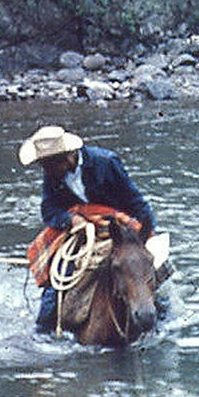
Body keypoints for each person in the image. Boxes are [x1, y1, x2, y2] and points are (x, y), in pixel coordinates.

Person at [19, 125, 158, 332]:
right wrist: (71, 220)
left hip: (119, 227)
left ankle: (163, 317)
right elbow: (49, 209)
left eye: (47, 165)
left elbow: (134, 199)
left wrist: (145, 234)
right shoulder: (53, 173)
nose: (45, 171)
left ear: (66, 158)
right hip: (81, 231)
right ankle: (44, 329)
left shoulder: (106, 162)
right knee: (56, 284)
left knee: (151, 271)